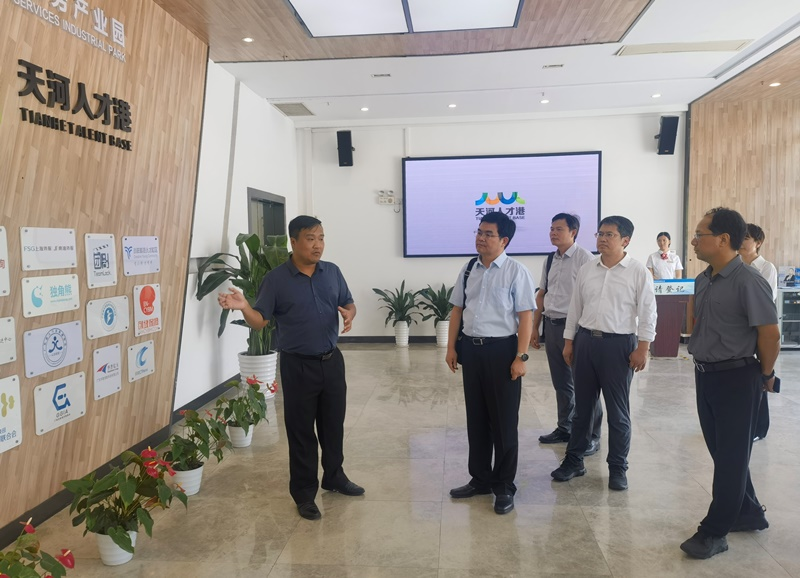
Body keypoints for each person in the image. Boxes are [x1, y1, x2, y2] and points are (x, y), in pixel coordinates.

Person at [218, 215, 362, 521]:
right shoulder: (276, 280)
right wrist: (244, 307)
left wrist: (349, 313)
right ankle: (304, 493)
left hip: (332, 362)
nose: (318, 245)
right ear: (293, 242)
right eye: (310, 239)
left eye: (321, 238)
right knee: (301, 432)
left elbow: (348, 302)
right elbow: (260, 321)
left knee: (333, 426)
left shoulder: (332, 272)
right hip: (298, 365)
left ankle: (334, 476)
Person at [680, 208, 779, 560]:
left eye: (700, 234)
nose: (694, 241)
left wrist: (765, 375)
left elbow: (769, 334)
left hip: (737, 377)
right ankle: (748, 512)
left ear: (723, 239)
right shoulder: (703, 279)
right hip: (705, 374)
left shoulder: (749, 280)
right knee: (724, 454)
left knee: (732, 458)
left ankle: (714, 531)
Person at [550, 216, 657, 492]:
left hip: (619, 346)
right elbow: (575, 308)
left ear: (625, 241)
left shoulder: (638, 272)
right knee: (582, 410)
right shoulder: (587, 269)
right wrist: (569, 342)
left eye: (610, 234)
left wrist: (643, 347)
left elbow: (648, 312)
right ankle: (574, 460)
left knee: (618, 413)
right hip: (585, 342)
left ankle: (618, 468)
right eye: (600, 234)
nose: (603, 239)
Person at [446, 211, 536, 515]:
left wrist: (520, 357)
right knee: (477, 418)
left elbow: (526, 316)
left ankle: (504, 485)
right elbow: (457, 310)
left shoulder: (516, 271)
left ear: (504, 240)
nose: (481, 238)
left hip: (502, 352)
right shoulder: (469, 268)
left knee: (504, 422)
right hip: (471, 350)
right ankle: (480, 479)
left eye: (488, 234)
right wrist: (451, 347)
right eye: (479, 232)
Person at [532, 213, 603, 456]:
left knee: (585, 384)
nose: (553, 233)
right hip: (552, 326)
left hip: (576, 328)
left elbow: (592, 297)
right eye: (551, 228)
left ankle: (592, 436)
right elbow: (542, 294)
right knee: (561, 383)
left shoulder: (586, 259)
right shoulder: (550, 259)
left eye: (559, 229)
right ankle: (565, 427)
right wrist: (535, 327)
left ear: (573, 232)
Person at [739, 223, 778, 442]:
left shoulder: (766, 268)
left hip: (759, 329)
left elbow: (764, 299)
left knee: (760, 378)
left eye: (746, 238)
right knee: (745, 381)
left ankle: (759, 428)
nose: (742, 242)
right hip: (740, 330)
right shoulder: (735, 265)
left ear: (758, 242)